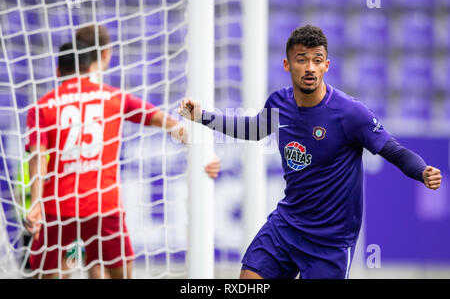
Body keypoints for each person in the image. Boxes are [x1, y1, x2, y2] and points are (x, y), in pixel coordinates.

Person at [178, 24, 442, 279]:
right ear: (287, 64)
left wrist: (422, 172)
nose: (310, 68)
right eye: (301, 59)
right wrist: (202, 116)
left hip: (330, 242)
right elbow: (253, 129)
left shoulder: (350, 113)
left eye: (317, 60)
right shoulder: (278, 103)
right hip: (287, 226)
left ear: (327, 65)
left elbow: (394, 150)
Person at [24, 40, 220, 279]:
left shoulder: (42, 106)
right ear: (92, 67)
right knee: (121, 274)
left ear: (57, 72)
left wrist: (36, 205)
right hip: (103, 205)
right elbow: (166, 123)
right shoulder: (113, 97)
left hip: (59, 205)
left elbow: (37, 157)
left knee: (45, 273)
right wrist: (202, 150)